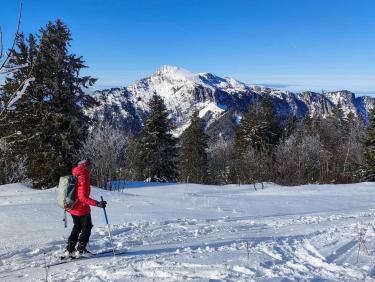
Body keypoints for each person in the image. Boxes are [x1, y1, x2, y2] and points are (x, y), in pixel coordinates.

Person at [65, 159, 107, 257]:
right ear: (84, 167)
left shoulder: (76, 174)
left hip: (72, 207)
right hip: (81, 208)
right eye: (89, 166)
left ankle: (70, 249)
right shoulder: (83, 177)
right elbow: (82, 197)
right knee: (87, 226)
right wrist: (97, 204)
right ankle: (81, 249)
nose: (91, 168)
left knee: (77, 226)